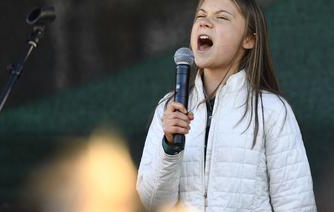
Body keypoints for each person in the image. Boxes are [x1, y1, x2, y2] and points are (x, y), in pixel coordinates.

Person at [136, 0, 317, 211]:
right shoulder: (169, 109)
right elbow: (152, 203)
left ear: (249, 39)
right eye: (200, 16)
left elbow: (296, 203)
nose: (205, 23)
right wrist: (169, 146)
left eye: (221, 17)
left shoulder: (272, 110)